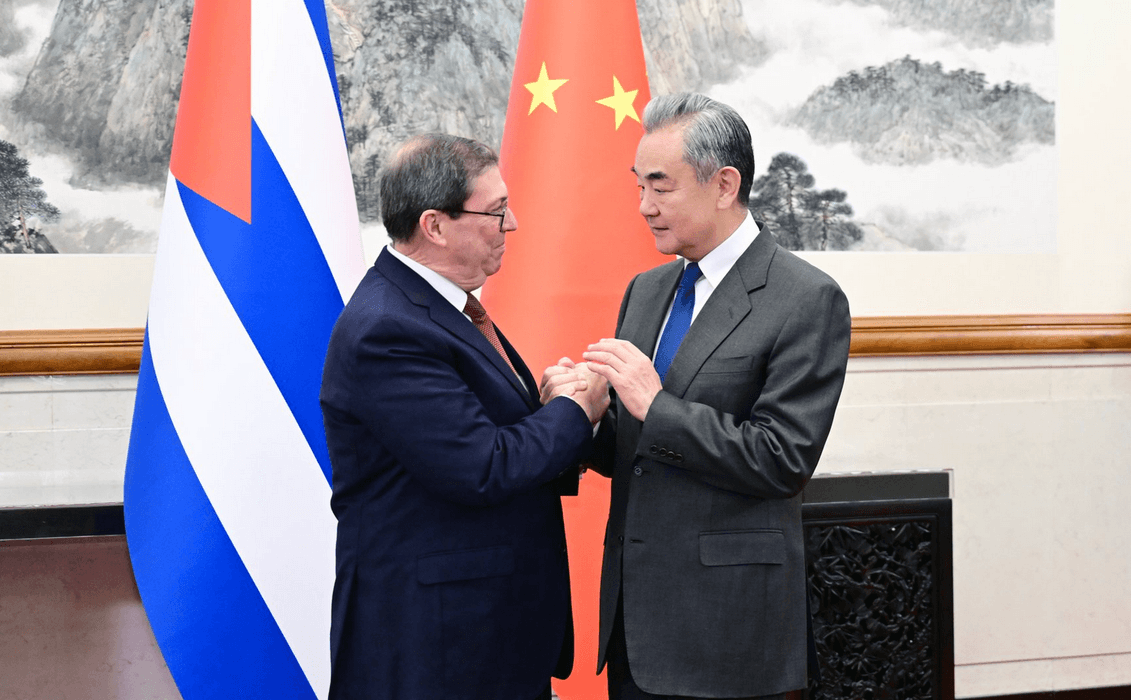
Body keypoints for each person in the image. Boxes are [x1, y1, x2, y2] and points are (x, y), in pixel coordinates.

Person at [554, 93, 851, 699]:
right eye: (638, 186)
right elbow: (636, 453)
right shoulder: (646, 290)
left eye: (660, 187)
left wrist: (653, 403)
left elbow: (781, 460)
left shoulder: (805, 298)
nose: (643, 207)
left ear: (724, 184)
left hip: (726, 634)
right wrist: (585, 415)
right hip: (633, 628)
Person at [320, 133, 609, 700]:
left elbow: (486, 439)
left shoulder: (443, 307)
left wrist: (549, 410)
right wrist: (577, 409)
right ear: (435, 225)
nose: (514, 224)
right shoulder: (389, 328)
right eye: (497, 211)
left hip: (483, 630)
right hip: (437, 641)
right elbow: (480, 467)